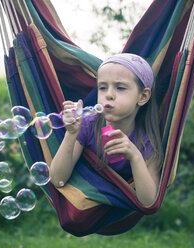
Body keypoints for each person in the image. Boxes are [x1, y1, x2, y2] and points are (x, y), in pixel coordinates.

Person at [50, 53, 163, 206]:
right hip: (87, 203)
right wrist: (71, 134)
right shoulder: (87, 125)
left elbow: (148, 201)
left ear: (143, 97)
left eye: (120, 88)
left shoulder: (147, 142)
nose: (108, 95)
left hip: (120, 208)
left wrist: (135, 156)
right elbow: (58, 179)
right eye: (102, 88)